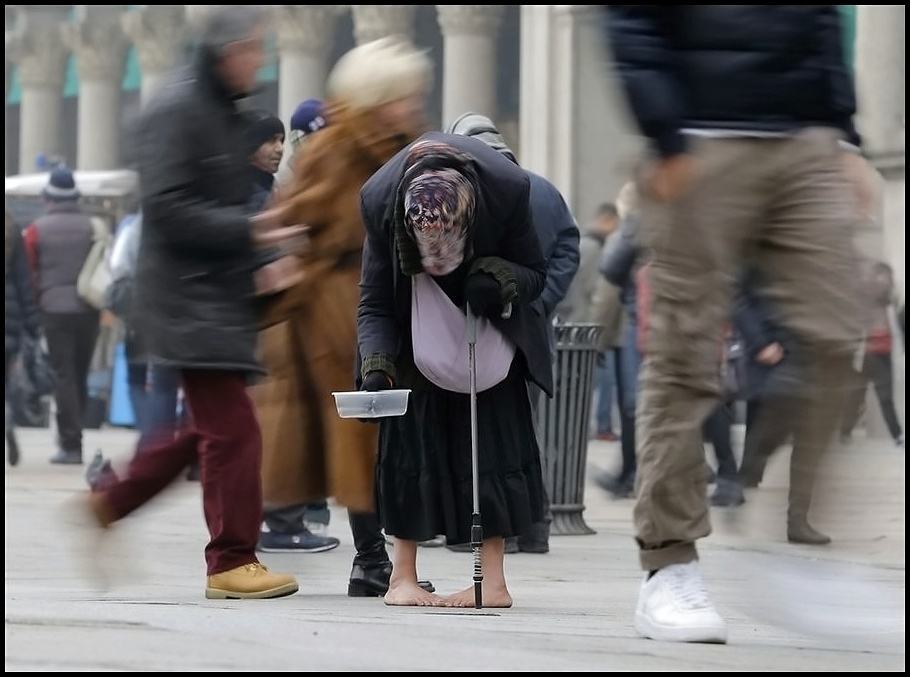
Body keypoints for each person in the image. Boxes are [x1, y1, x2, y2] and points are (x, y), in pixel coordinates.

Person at [608, 5, 867, 642]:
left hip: (803, 140)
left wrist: (843, 130)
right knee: (685, 359)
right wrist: (664, 132)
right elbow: (632, 21)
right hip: (701, 136)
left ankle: (798, 546)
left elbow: (824, 17)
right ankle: (669, 567)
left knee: (836, 335)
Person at [79, 6, 300, 600]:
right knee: (234, 433)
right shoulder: (178, 109)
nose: (262, 60)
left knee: (210, 431)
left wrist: (261, 251)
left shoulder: (218, 112)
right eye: (255, 49)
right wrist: (250, 232)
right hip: (185, 298)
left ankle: (109, 502)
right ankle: (230, 560)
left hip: (212, 295)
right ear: (229, 50)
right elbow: (170, 209)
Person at [256, 38, 436, 597]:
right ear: (380, 96)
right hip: (342, 311)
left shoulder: (408, 147)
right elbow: (297, 216)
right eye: (404, 94)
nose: (413, 103)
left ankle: (379, 560)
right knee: (364, 433)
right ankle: (373, 558)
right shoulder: (338, 147)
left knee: (385, 435)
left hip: (398, 300)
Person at [358, 133, 550, 607]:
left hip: (486, 334)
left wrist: (500, 279)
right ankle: (401, 578)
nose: (438, 260)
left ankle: (493, 582)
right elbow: (375, 302)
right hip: (415, 328)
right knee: (409, 451)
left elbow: (536, 272)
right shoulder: (381, 203)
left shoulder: (507, 192)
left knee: (493, 450)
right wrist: (377, 366)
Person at [243, 110, 340, 554]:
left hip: (273, 323)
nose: (277, 148)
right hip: (267, 325)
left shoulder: (265, 189)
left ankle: (274, 519)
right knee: (279, 423)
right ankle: (280, 523)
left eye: (280, 139)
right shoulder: (248, 193)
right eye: (268, 141)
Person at [23, 168, 99, 466]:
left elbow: (29, 273)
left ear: (48, 198)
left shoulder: (36, 230)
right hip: (88, 308)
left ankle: (70, 443)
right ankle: (74, 432)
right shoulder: (93, 227)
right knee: (79, 374)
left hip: (53, 309)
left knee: (63, 374)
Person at [840, 261, 904, 447]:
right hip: (867, 354)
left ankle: (897, 436)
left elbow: (900, 330)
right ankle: (845, 431)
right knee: (857, 395)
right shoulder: (863, 302)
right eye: (880, 277)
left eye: (887, 278)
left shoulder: (892, 305)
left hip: (885, 355)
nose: (884, 282)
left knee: (885, 397)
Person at [6, 210, 42, 466]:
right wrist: (32, 325)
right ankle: (7, 425)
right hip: (10, 320)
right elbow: (23, 281)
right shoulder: (11, 228)